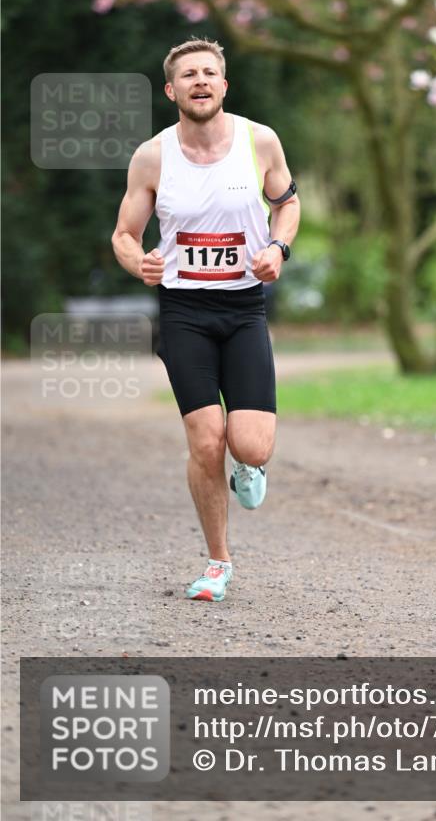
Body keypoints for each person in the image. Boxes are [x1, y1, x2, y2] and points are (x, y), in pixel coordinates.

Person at [111, 38, 300, 601]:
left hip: (243, 309)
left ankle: (251, 466)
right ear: (172, 90)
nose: (200, 81)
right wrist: (137, 262)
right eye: (188, 74)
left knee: (252, 445)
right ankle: (218, 562)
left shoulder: (258, 141)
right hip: (184, 311)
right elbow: (124, 233)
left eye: (209, 73)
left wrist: (279, 249)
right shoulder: (153, 156)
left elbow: (286, 203)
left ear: (223, 85)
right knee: (205, 440)